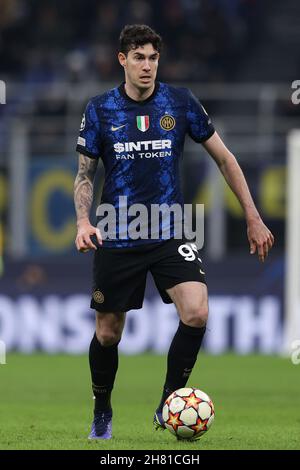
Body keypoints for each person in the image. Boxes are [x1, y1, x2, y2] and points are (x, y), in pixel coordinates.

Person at [74, 24, 274, 440]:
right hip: (117, 233)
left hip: (170, 231)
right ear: (122, 61)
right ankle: (103, 410)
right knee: (108, 333)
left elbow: (225, 159)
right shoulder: (100, 109)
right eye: (139, 58)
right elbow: (84, 174)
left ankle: (169, 402)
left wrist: (253, 216)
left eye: (153, 58)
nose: (147, 66)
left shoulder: (180, 103)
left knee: (197, 311)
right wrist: (82, 221)